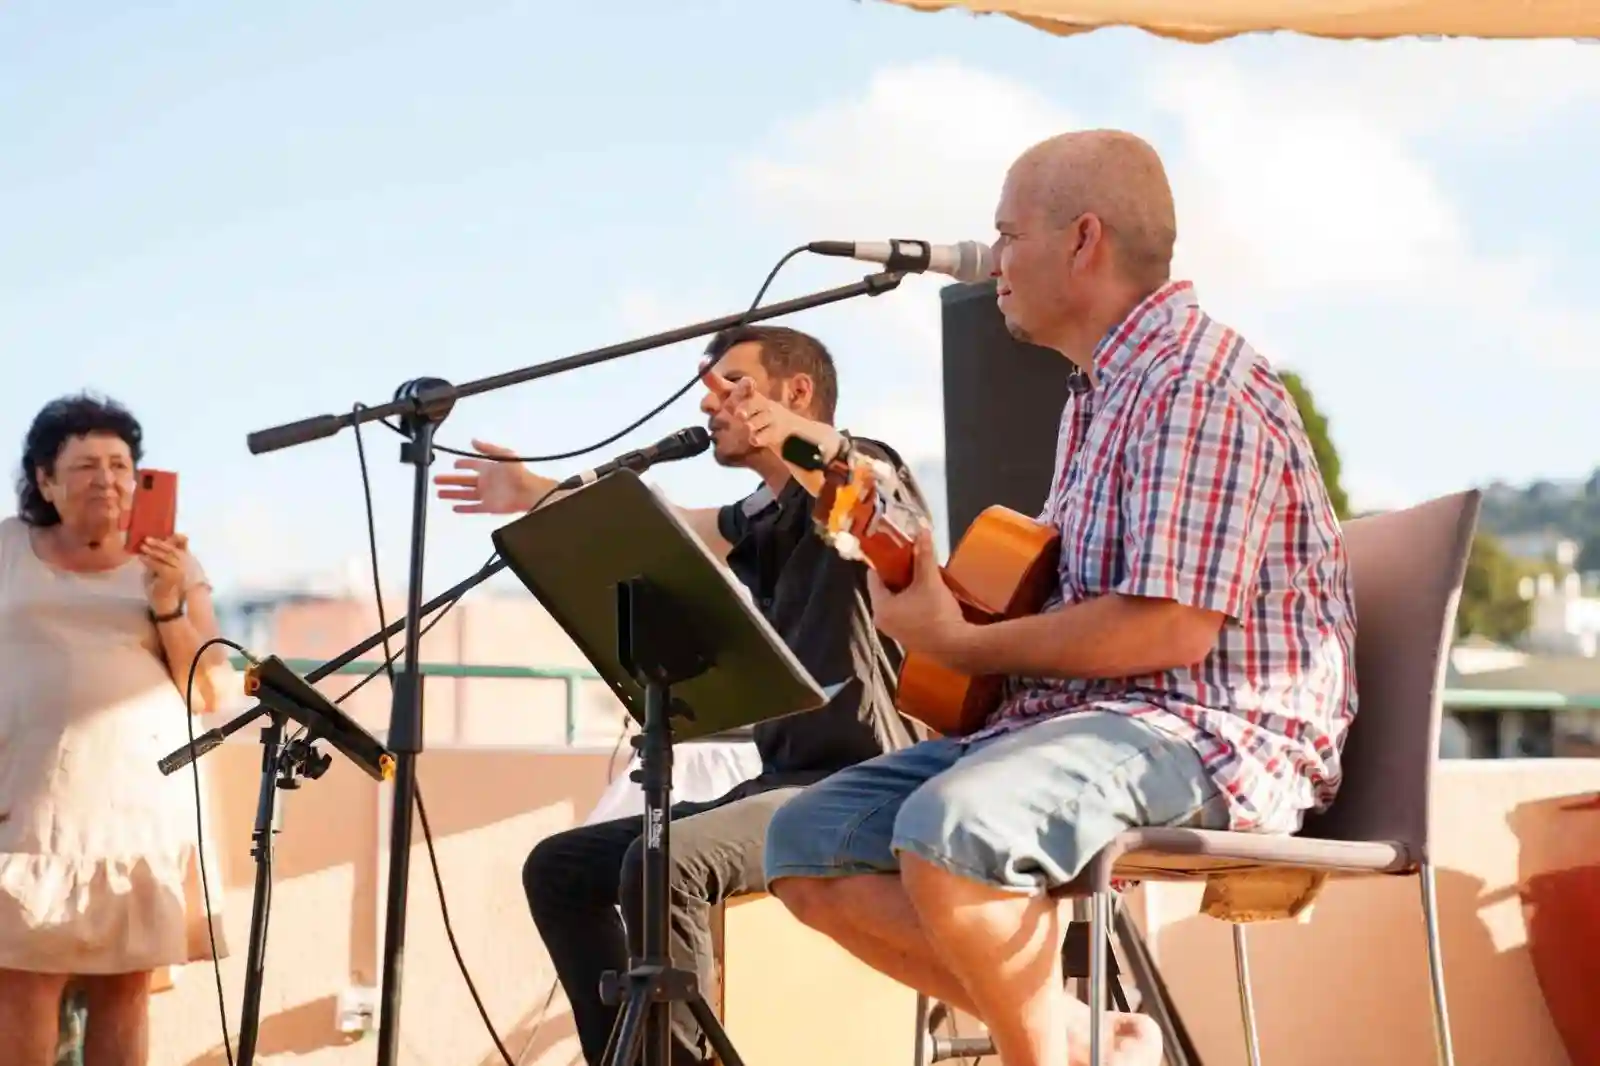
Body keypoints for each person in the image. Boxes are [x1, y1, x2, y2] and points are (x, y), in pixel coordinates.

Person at [761, 130, 1359, 1066]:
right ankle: (1093, 1043)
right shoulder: (1099, 392)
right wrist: (927, 589)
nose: (992, 260)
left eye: (1007, 236)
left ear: (1083, 240)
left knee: (957, 829)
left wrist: (963, 646)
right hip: (1093, 721)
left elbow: (1169, 627)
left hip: (1210, 728)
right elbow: (1062, 598)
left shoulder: (1194, 385)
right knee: (809, 841)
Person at [433, 324, 922, 1066]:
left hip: (868, 786)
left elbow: (851, 473)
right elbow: (675, 527)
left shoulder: (862, 474)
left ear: (796, 393)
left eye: (735, 385)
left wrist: (791, 434)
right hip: (784, 784)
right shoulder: (760, 516)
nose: (711, 404)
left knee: (669, 864)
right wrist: (535, 493)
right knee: (561, 868)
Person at [0, 393, 234, 1066]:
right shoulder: (8, 547)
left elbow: (211, 689)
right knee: (21, 986)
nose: (107, 479)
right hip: (27, 807)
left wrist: (167, 605)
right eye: (85, 466)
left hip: (138, 809)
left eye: (120, 465)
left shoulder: (172, 565)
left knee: (125, 992)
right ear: (45, 480)